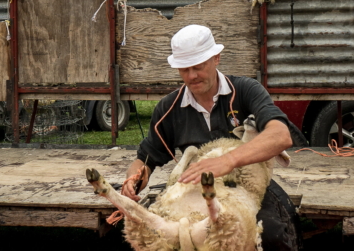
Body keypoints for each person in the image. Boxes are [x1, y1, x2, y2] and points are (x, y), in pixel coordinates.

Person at [122, 25, 300, 250]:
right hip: (193, 191)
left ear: (216, 58)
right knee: (155, 237)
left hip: (242, 188)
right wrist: (134, 178)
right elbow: (145, 159)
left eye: (198, 67)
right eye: (184, 69)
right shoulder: (168, 108)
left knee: (271, 235)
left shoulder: (246, 90)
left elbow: (281, 136)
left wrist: (227, 161)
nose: (192, 76)